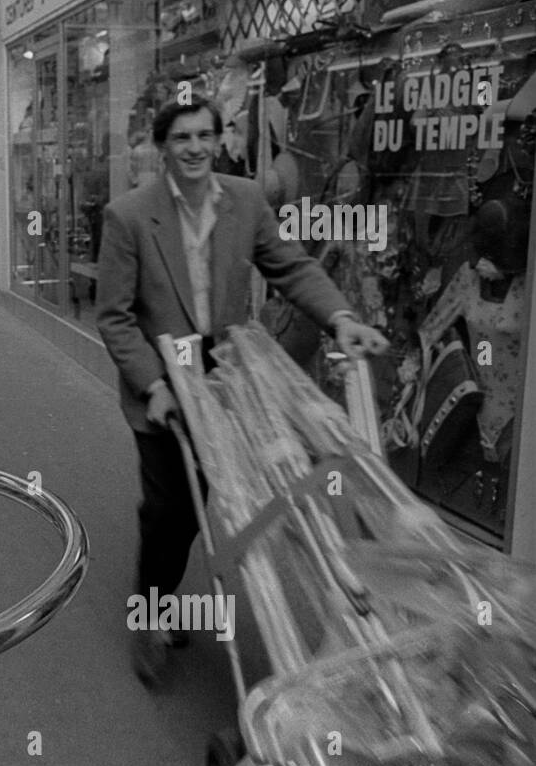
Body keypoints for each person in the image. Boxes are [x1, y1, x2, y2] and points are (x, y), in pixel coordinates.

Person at [95, 95, 389, 684]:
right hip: (162, 375)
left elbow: (290, 266)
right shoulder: (129, 216)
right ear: (163, 148)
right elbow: (115, 316)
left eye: (206, 135)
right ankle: (150, 612)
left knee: (230, 498)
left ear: (219, 139)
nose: (196, 148)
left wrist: (341, 319)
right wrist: (153, 384)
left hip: (229, 372)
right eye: (182, 138)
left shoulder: (247, 200)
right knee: (171, 511)